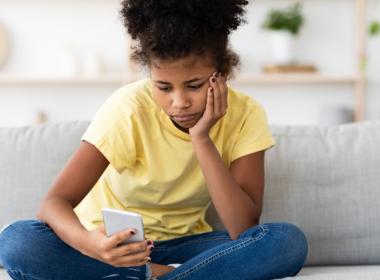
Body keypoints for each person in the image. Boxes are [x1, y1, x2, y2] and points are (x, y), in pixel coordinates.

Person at [0, 0, 308, 279]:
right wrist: (92, 244)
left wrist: (201, 137)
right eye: (163, 87)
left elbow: (243, 227)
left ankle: (151, 275)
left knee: (285, 242)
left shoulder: (246, 115)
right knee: (17, 241)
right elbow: (54, 203)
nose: (179, 102)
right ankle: (160, 273)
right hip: (116, 246)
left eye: (194, 85)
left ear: (222, 73)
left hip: (186, 245)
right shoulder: (129, 109)